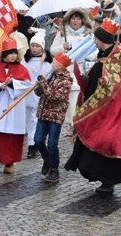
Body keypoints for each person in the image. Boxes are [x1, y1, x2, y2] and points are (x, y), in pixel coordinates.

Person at [64, 18, 121, 195]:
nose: (94, 41)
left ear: (102, 39)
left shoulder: (119, 58)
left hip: (114, 111)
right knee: (95, 140)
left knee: (107, 141)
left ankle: (108, 181)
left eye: (96, 38)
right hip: (100, 109)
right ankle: (100, 177)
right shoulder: (104, 55)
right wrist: (86, 80)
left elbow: (113, 85)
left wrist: (95, 81)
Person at [0, 39, 32, 174]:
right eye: (10, 53)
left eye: (15, 53)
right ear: (4, 54)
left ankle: (9, 162)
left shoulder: (22, 69)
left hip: (14, 108)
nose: (13, 56)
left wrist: (12, 84)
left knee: (11, 136)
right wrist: (0, 86)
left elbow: (27, 86)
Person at [34, 52, 74, 183]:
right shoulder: (50, 76)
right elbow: (40, 93)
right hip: (43, 113)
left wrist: (44, 85)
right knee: (38, 141)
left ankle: (54, 169)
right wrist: (39, 86)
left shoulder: (66, 81)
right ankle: (47, 158)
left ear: (61, 66)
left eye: (55, 62)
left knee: (52, 144)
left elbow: (56, 97)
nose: (52, 64)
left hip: (55, 116)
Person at [23, 30, 53, 159]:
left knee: (35, 120)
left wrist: (43, 81)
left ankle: (33, 145)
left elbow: (49, 77)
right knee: (27, 120)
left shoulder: (46, 63)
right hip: (26, 94)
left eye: (37, 46)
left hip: (38, 95)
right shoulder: (25, 61)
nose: (34, 49)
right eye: (32, 46)